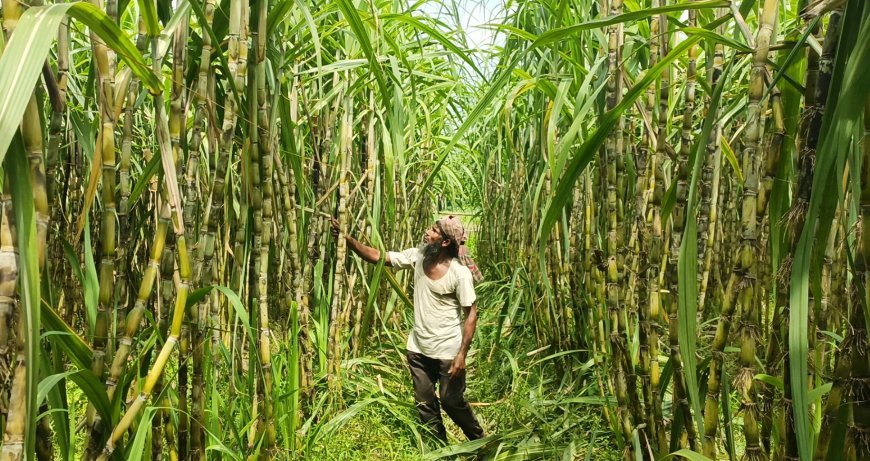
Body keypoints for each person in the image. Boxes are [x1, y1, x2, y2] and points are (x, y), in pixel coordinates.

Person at [331, 215, 485, 443]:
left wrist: (461, 355)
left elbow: (471, 313)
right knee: (424, 403)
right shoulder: (419, 255)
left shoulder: (458, 273)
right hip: (418, 348)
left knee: (451, 401)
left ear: (444, 242)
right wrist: (349, 240)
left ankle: (479, 440)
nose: (427, 232)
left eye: (433, 230)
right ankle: (440, 450)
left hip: (447, 352)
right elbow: (379, 257)